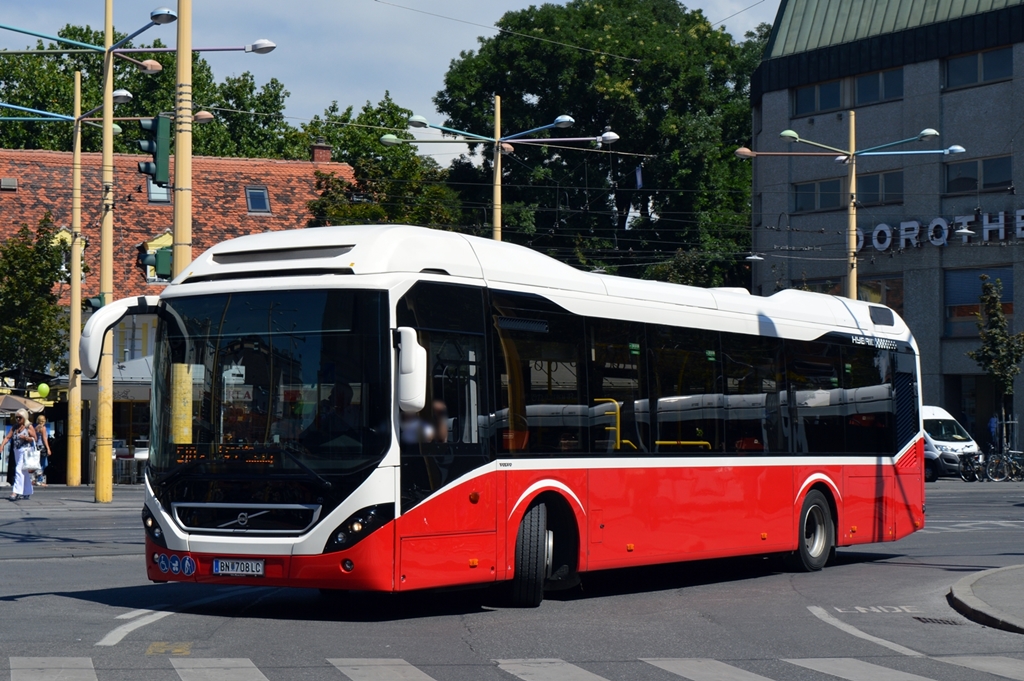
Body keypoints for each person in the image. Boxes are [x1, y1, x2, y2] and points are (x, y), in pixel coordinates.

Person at [1, 409, 37, 501]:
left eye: (20, 417)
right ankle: (27, 492)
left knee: (18, 470)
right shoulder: (15, 427)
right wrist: (2, 446)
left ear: (24, 417)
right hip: (17, 451)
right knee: (23, 471)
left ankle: (16, 492)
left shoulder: (28, 426)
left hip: (25, 450)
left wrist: (26, 438)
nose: (17, 419)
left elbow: (34, 438)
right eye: (16, 417)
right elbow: (8, 437)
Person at [34, 414, 51, 487]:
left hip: (37, 446)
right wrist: (48, 448)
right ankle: (40, 480)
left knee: (39, 464)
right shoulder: (43, 428)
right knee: (44, 464)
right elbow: (44, 439)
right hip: (42, 446)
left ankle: (37, 479)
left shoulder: (36, 428)